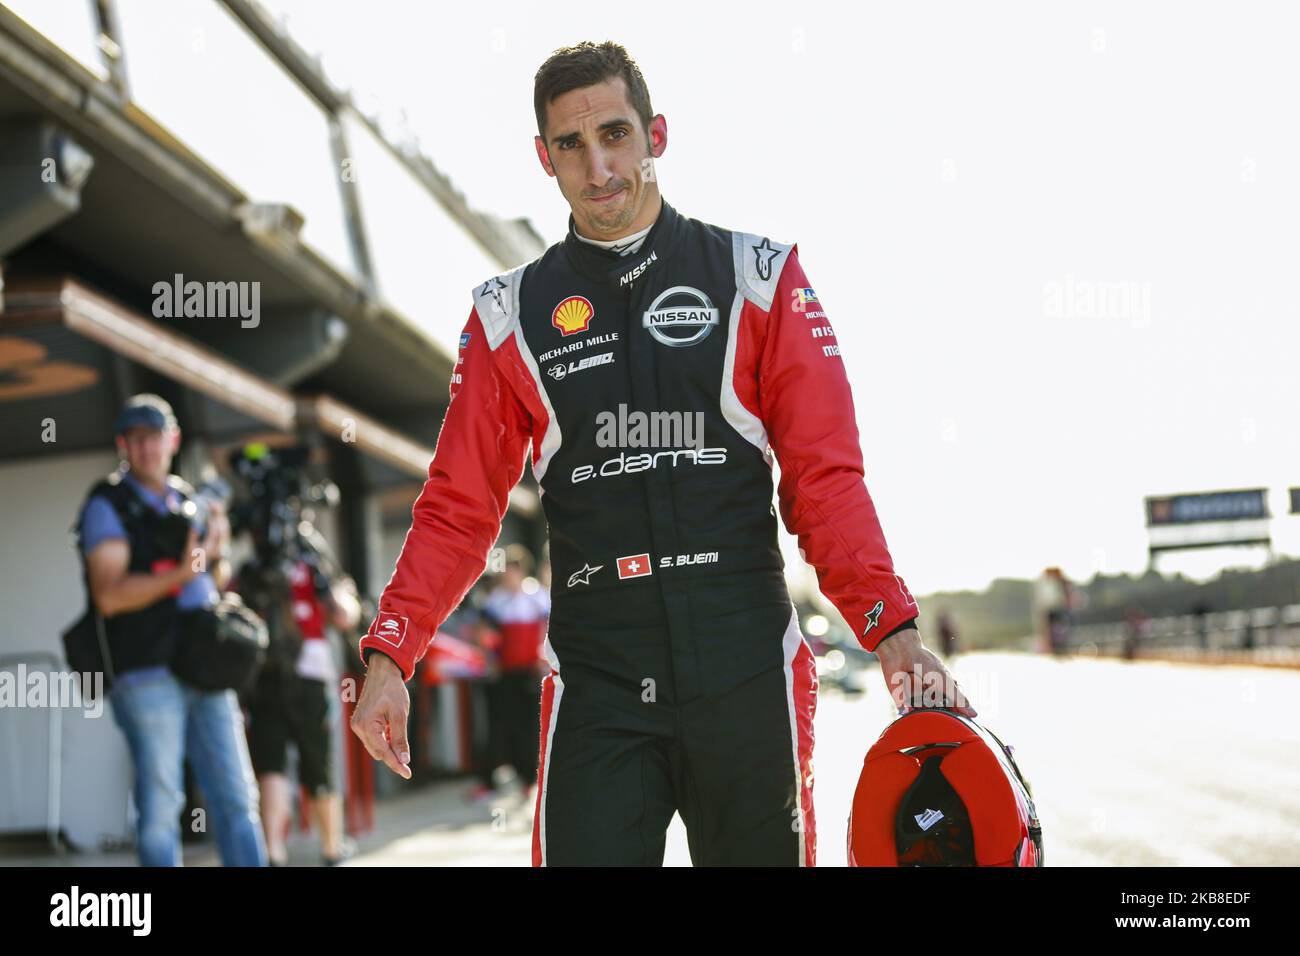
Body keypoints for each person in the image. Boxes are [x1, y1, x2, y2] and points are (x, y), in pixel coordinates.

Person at [351, 41, 974, 866]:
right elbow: (458, 508)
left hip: (746, 665)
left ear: (657, 136)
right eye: (570, 146)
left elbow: (825, 480)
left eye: (615, 134)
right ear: (544, 158)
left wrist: (892, 633)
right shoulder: (507, 317)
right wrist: (392, 652)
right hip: (600, 676)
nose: (598, 165)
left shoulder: (761, 278)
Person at [76, 394, 266, 867]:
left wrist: (214, 552)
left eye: (155, 437)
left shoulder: (188, 499)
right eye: (136, 439)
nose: (147, 448)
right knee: (162, 807)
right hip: (147, 671)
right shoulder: (108, 503)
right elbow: (110, 594)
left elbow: (209, 581)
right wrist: (181, 573)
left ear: (173, 440)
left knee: (237, 796)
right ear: (123, 444)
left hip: (205, 663)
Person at [233, 529, 361, 866]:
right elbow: (345, 616)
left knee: (271, 765)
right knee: (318, 763)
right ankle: (332, 849)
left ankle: (273, 852)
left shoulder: (253, 568)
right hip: (310, 677)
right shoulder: (313, 568)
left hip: (265, 677)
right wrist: (340, 588)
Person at [469, 545, 550, 802]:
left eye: (512, 570)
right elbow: (484, 633)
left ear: (521, 570)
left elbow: (548, 629)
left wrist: (545, 657)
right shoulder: (496, 600)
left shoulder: (538, 596)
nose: (508, 576)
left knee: (528, 727)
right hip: (502, 673)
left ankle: (528, 779)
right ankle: (489, 780)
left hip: (529, 672)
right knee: (497, 726)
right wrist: (488, 656)